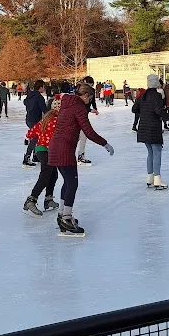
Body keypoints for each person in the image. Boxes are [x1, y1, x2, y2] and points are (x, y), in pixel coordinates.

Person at [49, 83, 114, 235]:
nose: (89, 101)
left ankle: (61, 214)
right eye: (90, 98)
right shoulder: (79, 107)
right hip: (64, 149)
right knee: (72, 182)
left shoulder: (67, 103)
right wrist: (105, 144)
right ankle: (66, 217)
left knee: (67, 181)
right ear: (85, 95)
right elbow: (89, 132)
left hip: (55, 147)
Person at [22, 96, 63, 216]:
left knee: (53, 174)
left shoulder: (46, 118)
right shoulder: (57, 120)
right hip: (45, 150)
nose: (59, 107)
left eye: (60, 105)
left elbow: (31, 132)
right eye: (57, 106)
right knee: (46, 174)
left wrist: (31, 137)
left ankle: (48, 199)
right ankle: (31, 199)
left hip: (42, 149)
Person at [133, 75, 167, 190]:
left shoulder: (142, 96)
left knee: (150, 153)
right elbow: (158, 111)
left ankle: (150, 178)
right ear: (156, 83)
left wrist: (144, 110)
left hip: (143, 128)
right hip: (153, 128)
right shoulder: (157, 96)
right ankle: (157, 179)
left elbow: (134, 109)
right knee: (157, 152)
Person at [23, 80, 47, 167]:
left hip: (29, 119)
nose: (44, 88)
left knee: (36, 137)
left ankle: (35, 156)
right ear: (40, 87)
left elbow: (25, 102)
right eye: (44, 87)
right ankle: (27, 157)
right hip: (35, 120)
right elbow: (45, 110)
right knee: (35, 138)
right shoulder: (39, 97)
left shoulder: (30, 95)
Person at [76, 76, 98, 165]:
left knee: (80, 136)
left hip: (82, 115)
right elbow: (79, 105)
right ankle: (80, 155)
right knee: (82, 136)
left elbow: (92, 102)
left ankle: (80, 155)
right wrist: (90, 110)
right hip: (80, 116)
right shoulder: (81, 91)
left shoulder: (89, 91)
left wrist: (94, 108)